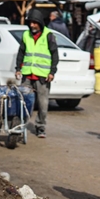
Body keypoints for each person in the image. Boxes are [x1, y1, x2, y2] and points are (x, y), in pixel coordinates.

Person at [15, 10, 58, 138]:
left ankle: (40, 127)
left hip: (42, 76)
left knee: (43, 104)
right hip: (27, 74)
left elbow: (55, 55)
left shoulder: (49, 35)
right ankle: (20, 126)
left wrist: (52, 72)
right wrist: (18, 68)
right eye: (30, 23)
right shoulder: (26, 35)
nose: (32, 25)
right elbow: (21, 53)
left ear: (40, 23)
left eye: (35, 23)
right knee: (23, 102)